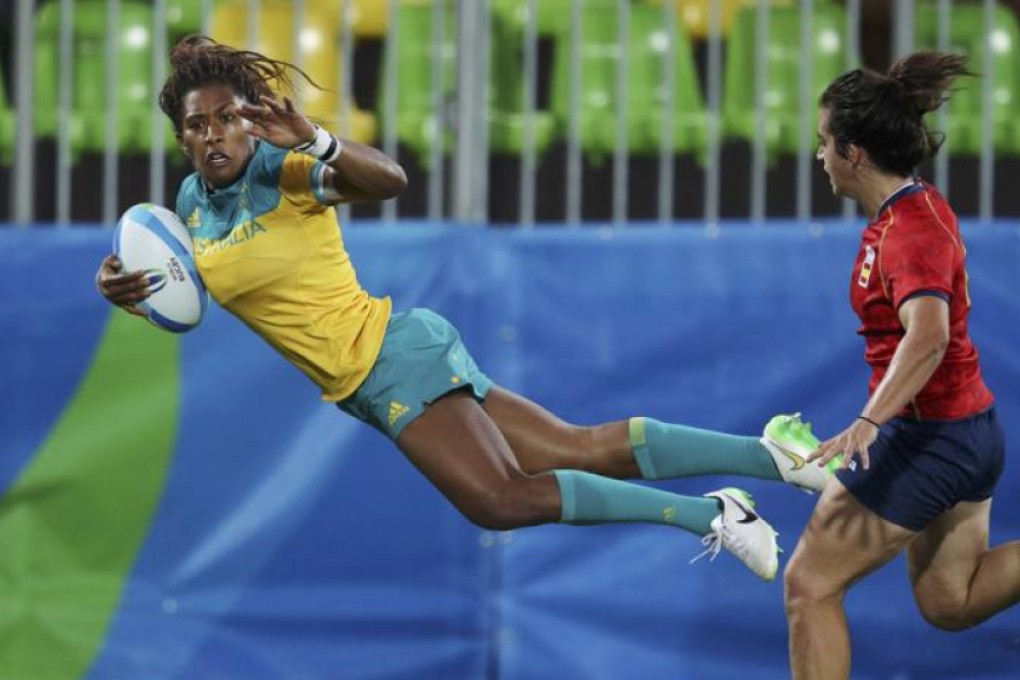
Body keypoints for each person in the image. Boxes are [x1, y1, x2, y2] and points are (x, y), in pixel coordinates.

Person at [96, 36, 828, 582]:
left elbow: (389, 179)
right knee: (576, 447)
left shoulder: (279, 169)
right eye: (197, 125)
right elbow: (196, 286)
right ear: (182, 135)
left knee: (500, 502)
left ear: (248, 124)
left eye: (226, 118)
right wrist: (130, 288)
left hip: (388, 359)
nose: (212, 134)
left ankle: (711, 514)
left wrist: (317, 139)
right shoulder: (192, 204)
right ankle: (774, 456)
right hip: (376, 372)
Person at [784, 51, 1020, 678]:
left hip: (931, 438)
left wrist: (867, 422)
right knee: (951, 601)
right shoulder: (913, 209)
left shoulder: (908, 233)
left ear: (854, 154)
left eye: (825, 142)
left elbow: (929, 337)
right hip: (966, 431)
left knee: (809, 583)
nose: (820, 156)